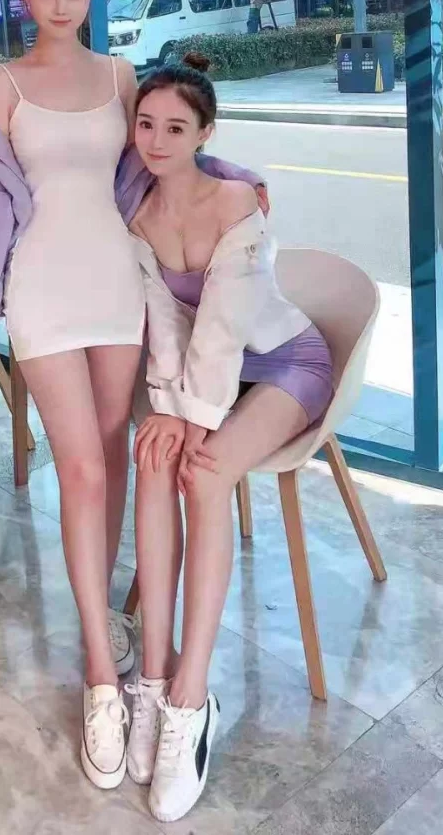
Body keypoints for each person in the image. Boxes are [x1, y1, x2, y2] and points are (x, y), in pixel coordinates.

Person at [124, 52, 334, 823]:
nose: (156, 140)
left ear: (206, 133)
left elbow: (221, 325)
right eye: (146, 124)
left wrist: (188, 415)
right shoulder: (139, 215)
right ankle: (152, 675)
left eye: (175, 127)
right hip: (219, 376)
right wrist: (167, 410)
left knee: (205, 472)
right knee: (153, 460)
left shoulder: (237, 201)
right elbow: (166, 327)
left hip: (284, 365)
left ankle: (191, 698)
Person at [0, 0, 143, 789]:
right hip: (39, 284)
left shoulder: (120, 75)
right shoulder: (1, 82)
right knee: (77, 466)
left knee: (111, 455)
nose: (62, 6)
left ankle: (102, 614)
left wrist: (236, 185)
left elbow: (158, 167)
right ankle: (100, 674)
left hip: (116, 281)